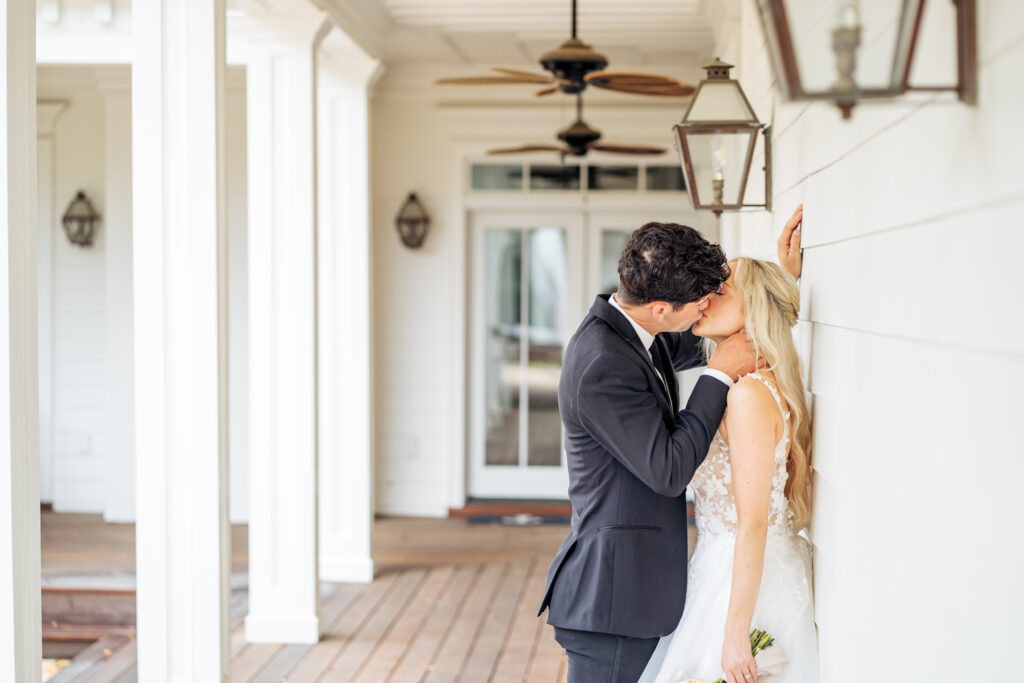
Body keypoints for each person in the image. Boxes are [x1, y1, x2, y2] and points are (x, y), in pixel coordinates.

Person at [538, 207, 803, 683]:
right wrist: (719, 375)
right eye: (700, 299)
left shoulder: (640, 331)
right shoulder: (602, 362)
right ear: (662, 309)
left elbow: (734, 325)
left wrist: (776, 282)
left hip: (643, 596)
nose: (706, 305)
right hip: (613, 603)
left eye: (715, 293)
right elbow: (667, 470)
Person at [639, 255, 817, 683]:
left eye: (720, 292)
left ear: (753, 310)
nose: (705, 298)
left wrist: (736, 635)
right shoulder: (744, 386)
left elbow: (752, 524)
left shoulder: (748, 397)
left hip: (747, 587)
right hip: (717, 571)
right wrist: (783, 272)